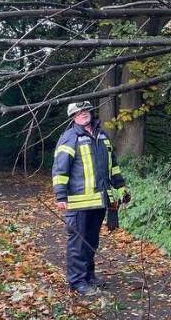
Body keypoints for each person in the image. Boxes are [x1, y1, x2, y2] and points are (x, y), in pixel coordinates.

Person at [52, 101, 129, 296]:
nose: (83, 114)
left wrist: (121, 187)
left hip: (99, 200)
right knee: (78, 242)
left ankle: (88, 276)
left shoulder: (102, 136)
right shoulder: (69, 138)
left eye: (85, 111)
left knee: (91, 241)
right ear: (73, 118)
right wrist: (60, 195)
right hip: (78, 202)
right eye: (78, 113)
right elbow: (60, 169)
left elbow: (113, 166)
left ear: (90, 112)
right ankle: (77, 282)